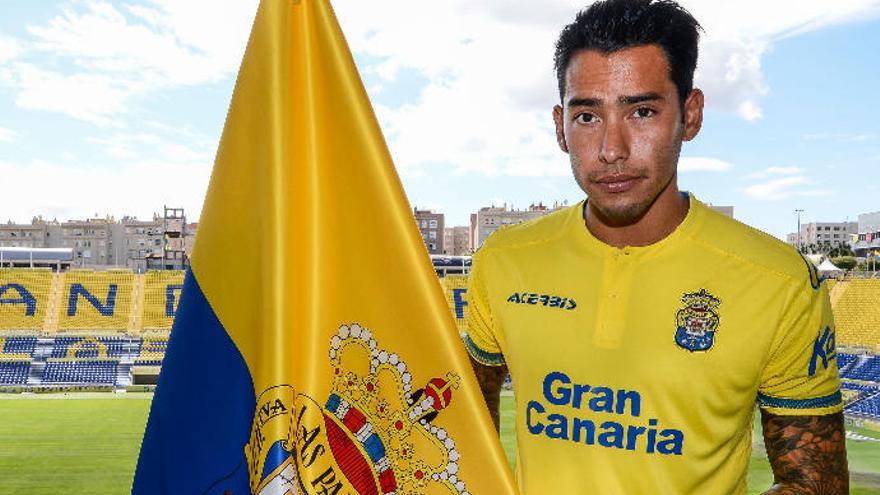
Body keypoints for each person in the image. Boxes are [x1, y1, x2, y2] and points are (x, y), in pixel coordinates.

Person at [464, 0, 848, 493]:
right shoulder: (502, 260)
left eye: (641, 111)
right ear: (560, 126)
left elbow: (815, 482)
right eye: (587, 117)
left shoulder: (781, 282)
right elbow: (465, 418)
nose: (611, 149)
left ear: (690, 115)